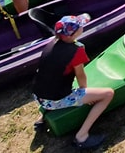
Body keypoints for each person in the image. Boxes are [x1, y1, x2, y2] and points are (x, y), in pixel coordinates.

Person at [33, 14, 114, 150]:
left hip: (38, 96)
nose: (82, 27)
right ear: (72, 35)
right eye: (80, 26)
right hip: (54, 100)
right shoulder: (76, 50)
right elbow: (81, 76)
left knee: (53, 81)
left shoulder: (52, 42)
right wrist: (85, 94)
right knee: (108, 94)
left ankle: (42, 118)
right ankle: (82, 136)